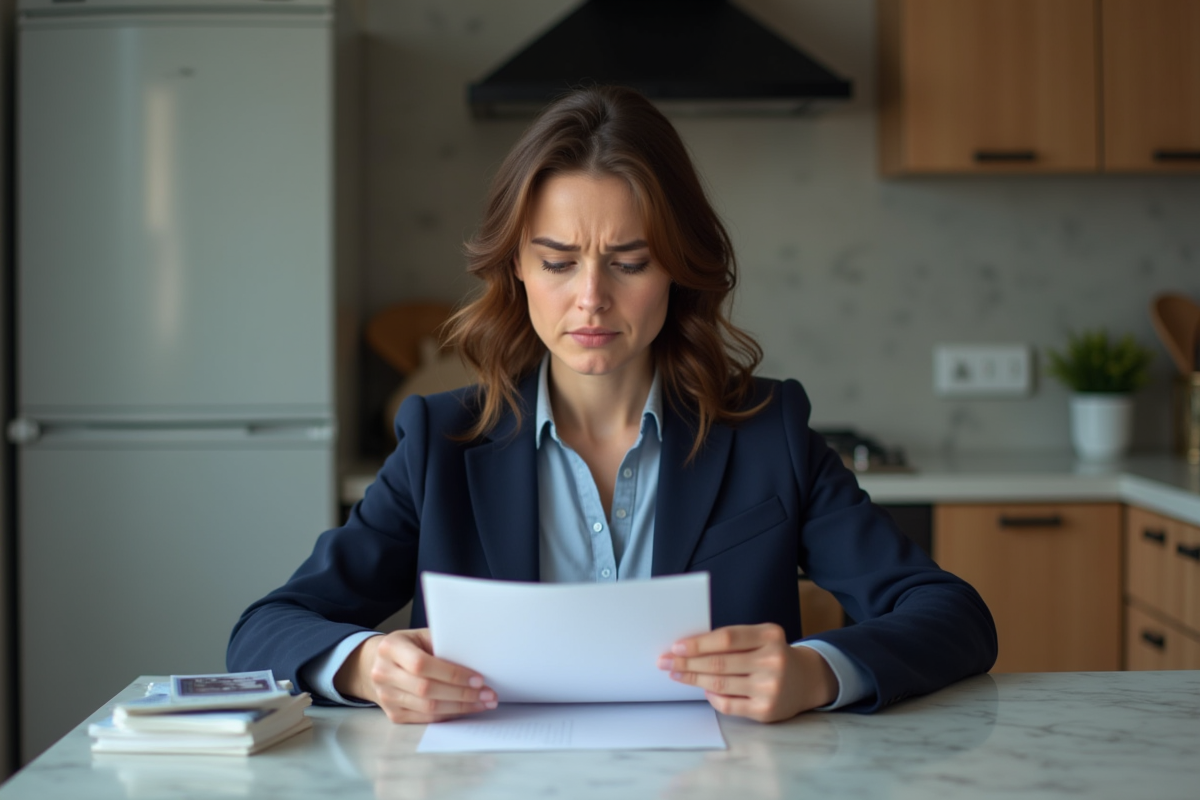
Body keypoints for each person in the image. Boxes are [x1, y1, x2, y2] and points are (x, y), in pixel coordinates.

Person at [228, 85, 996, 724]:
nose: (590, 299)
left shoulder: (769, 434)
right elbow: (264, 629)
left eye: (629, 262)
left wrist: (817, 673)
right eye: (558, 262)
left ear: (680, 272)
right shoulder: (442, 441)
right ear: (516, 271)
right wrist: (364, 664)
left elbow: (951, 615)